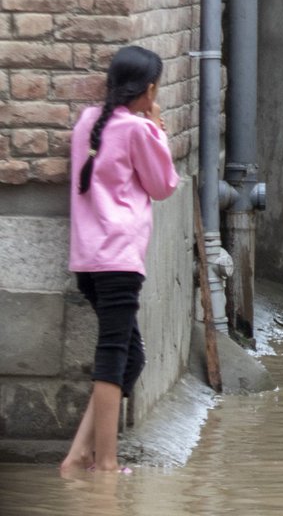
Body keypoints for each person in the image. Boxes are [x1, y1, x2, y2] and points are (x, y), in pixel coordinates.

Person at [61, 46, 180, 474]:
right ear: (149, 90)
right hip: (119, 260)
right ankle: (106, 464)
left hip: (88, 261)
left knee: (132, 358)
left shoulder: (88, 122)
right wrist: (159, 131)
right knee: (114, 355)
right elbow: (164, 185)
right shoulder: (139, 131)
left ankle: (78, 456)